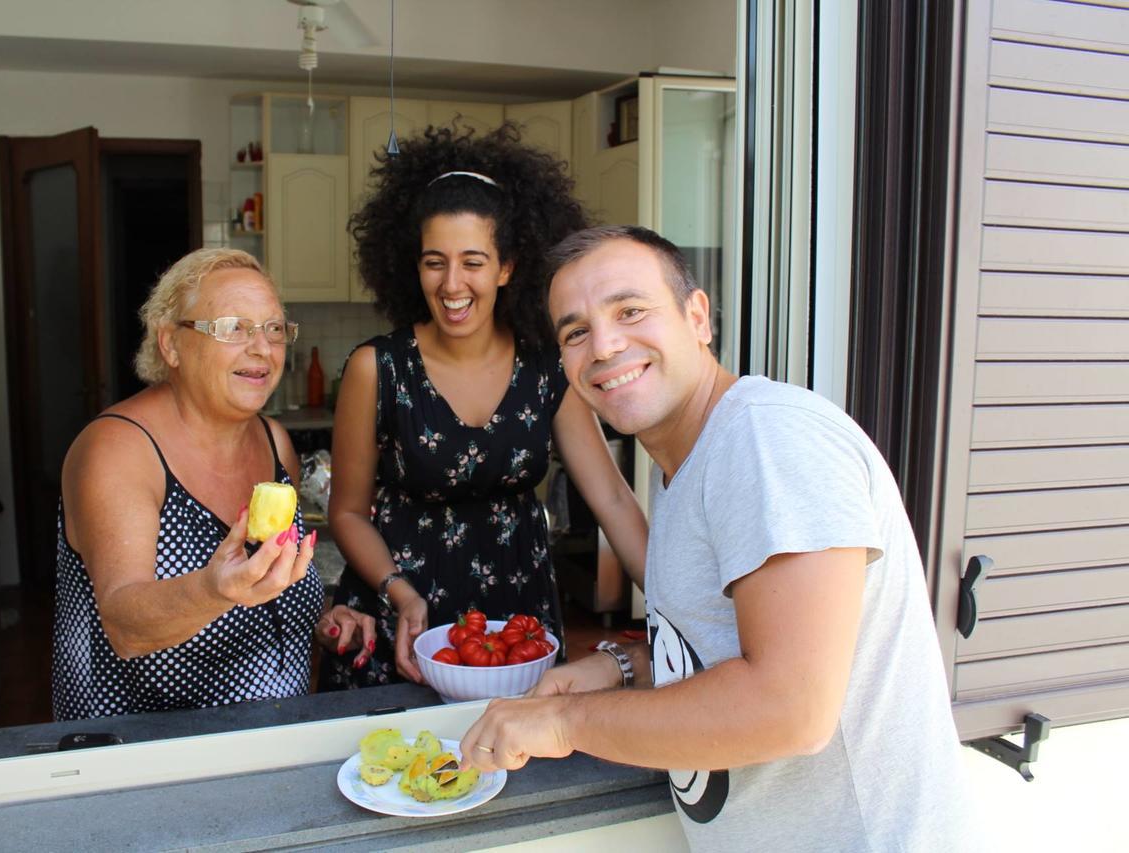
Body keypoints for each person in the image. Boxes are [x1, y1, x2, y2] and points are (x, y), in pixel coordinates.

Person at [460, 226, 975, 850]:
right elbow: (730, 645)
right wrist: (626, 666)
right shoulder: (686, 467)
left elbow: (789, 707)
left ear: (698, 317)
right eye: (575, 332)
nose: (604, 344)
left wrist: (563, 722)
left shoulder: (768, 437)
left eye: (630, 310)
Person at [324, 125, 648, 690]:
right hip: (402, 610)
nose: (453, 283)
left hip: (517, 616)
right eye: (434, 262)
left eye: (473, 261)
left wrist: (680, 612)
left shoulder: (549, 368)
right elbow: (347, 512)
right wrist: (399, 592)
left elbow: (614, 501)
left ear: (506, 267)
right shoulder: (376, 368)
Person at [52, 248, 375, 721]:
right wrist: (215, 590)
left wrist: (318, 621)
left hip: (271, 746)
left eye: (273, 329)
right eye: (233, 328)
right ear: (171, 344)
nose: (262, 348)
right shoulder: (118, 449)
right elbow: (124, 625)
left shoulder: (273, 442)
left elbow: (263, 586)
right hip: (141, 762)